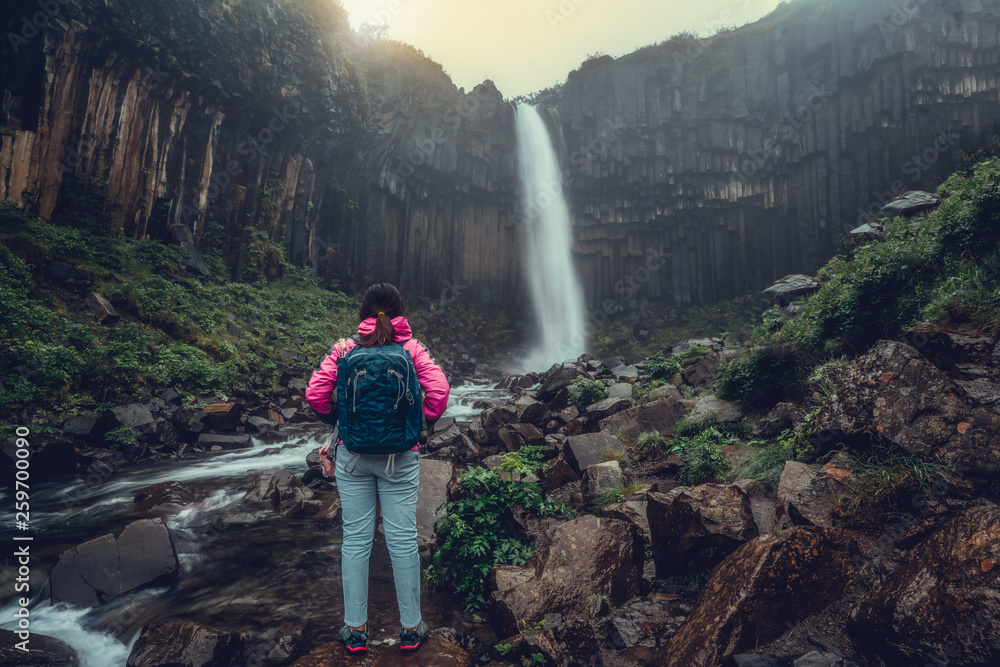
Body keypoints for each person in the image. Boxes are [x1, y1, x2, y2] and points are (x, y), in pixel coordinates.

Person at [305, 282, 450, 653]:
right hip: (400, 457)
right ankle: (411, 628)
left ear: (363, 313)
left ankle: (355, 632)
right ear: (400, 311)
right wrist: (416, 425)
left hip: (351, 456)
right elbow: (440, 391)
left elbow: (316, 394)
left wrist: (342, 422)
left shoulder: (344, 347)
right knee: (402, 539)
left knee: (355, 539)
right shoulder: (412, 348)